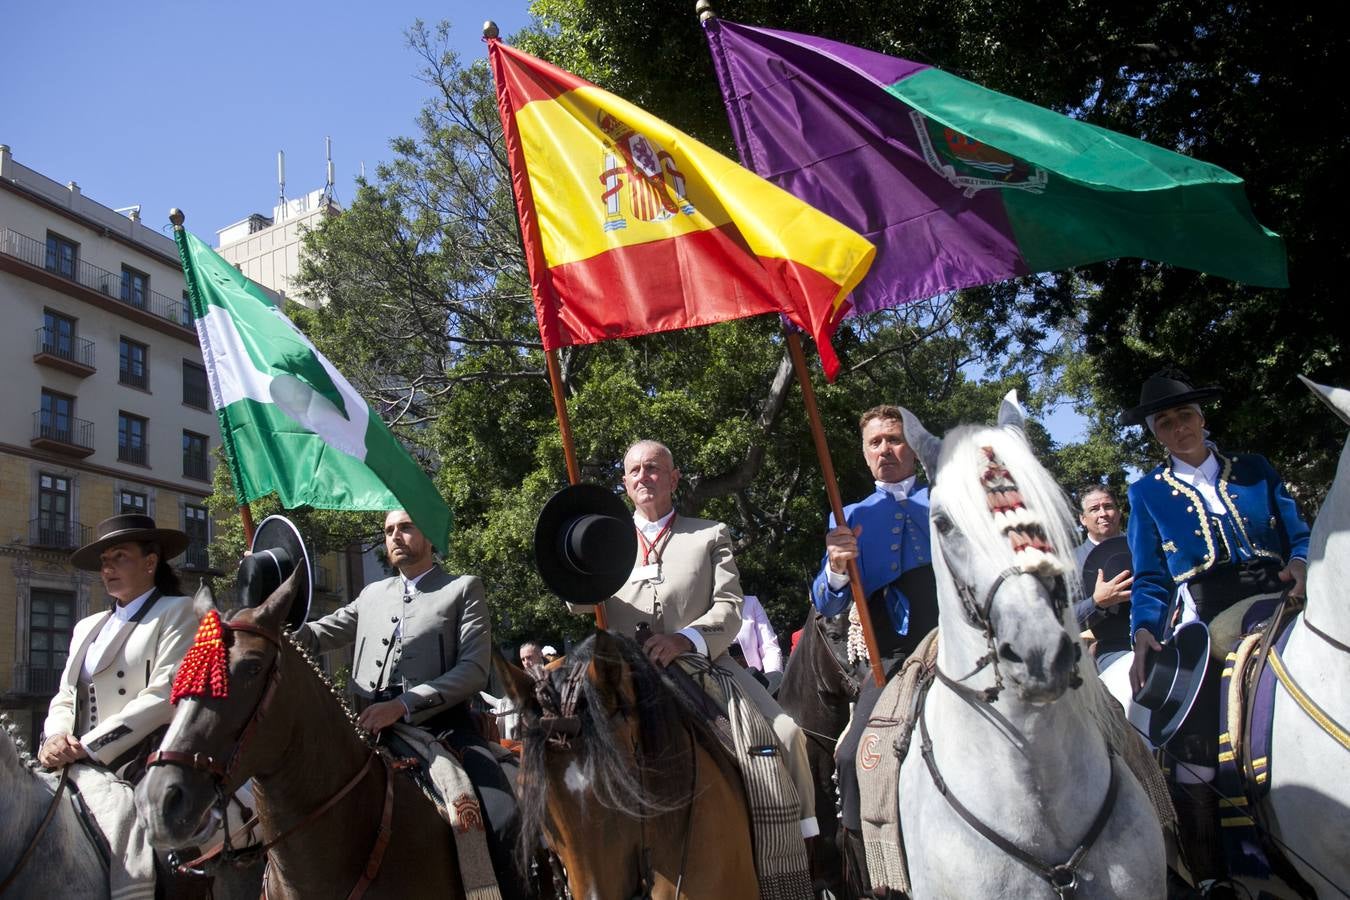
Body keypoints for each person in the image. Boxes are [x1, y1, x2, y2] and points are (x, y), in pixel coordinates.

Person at [1123, 368, 1310, 886]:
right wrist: (1142, 632)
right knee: (1192, 734)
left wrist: (1300, 564)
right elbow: (1151, 578)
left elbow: (1299, 535)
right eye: (1166, 422)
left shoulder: (1255, 468)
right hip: (1213, 615)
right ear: (1155, 433)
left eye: (1185, 415)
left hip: (1282, 593)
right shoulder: (1146, 495)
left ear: (1203, 418)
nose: (1179, 427)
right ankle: (1212, 872)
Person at [589, 439, 818, 841]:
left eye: (654, 468)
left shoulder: (710, 534)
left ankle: (805, 845)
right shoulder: (604, 544)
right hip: (628, 674)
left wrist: (685, 639)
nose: (645, 476)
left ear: (674, 478)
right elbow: (579, 602)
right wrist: (576, 560)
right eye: (636, 470)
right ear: (624, 483)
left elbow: (729, 607)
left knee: (787, 735)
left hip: (706, 665)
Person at [294, 509, 523, 898]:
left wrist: (402, 705)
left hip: (444, 729)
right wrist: (267, 599)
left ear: (429, 536)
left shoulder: (463, 588)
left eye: (405, 527)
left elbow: (472, 670)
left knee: (502, 817)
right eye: (388, 531)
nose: (395, 536)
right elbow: (314, 635)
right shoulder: (371, 594)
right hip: (366, 727)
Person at [809, 404, 938, 856]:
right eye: (875, 442)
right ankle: (875, 871)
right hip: (893, 657)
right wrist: (839, 568)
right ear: (865, 455)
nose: (885, 449)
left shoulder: (945, 498)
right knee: (849, 759)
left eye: (894, 439)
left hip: (962, 639)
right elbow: (826, 602)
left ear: (915, 448)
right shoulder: (848, 516)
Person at [39, 514, 197, 781]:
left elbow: (164, 696)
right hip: (76, 760)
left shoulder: (179, 610)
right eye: (104, 561)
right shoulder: (87, 626)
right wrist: (56, 738)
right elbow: (66, 694)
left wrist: (90, 746)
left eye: (120, 556)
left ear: (150, 562)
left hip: (141, 763)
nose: (107, 568)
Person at [1072, 484, 1133, 655]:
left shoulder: (1144, 546)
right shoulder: (1071, 563)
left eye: (1108, 506)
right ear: (1083, 519)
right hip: (1113, 649)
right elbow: (1066, 619)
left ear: (1119, 512)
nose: (1103, 514)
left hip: (1164, 638)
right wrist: (1096, 602)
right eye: (1094, 509)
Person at [735, 593, 784, 674]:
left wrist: (774, 677)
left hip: (752, 675)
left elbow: (769, 646)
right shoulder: (707, 607)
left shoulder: (750, 602)